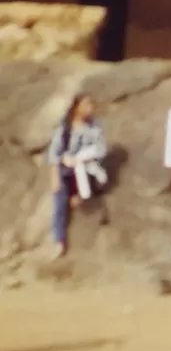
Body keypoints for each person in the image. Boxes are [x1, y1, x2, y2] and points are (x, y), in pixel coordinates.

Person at [47, 92, 109, 260]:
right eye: (86, 105)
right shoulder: (64, 129)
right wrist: (55, 177)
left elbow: (100, 149)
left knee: (89, 175)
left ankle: (77, 194)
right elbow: (54, 154)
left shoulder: (95, 127)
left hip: (87, 170)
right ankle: (59, 241)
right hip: (67, 170)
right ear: (76, 108)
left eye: (91, 105)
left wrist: (82, 156)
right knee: (59, 201)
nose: (90, 108)